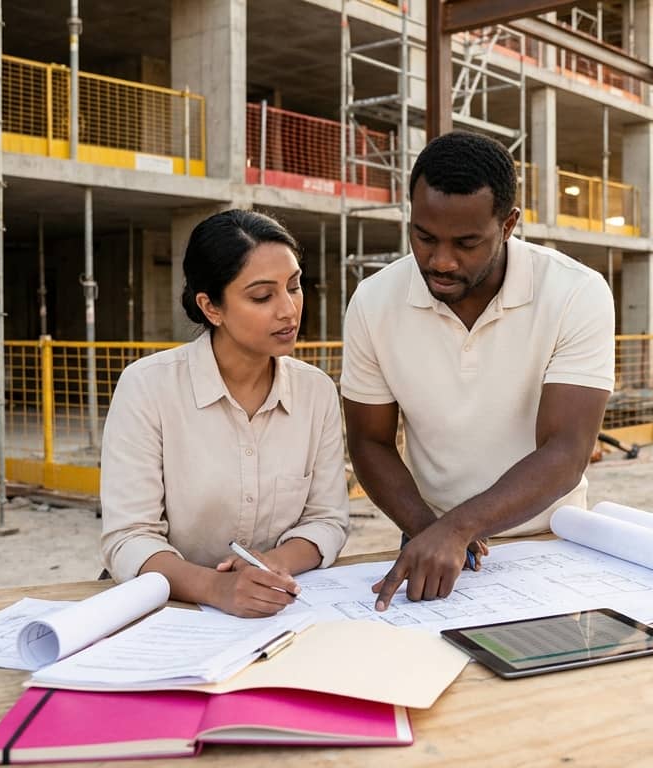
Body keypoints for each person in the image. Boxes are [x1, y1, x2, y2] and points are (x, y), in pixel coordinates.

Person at [340, 131, 616, 611]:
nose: (441, 260)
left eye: (467, 243)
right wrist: (432, 531)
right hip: (430, 538)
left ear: (508, 224)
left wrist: (459, 527)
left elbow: (568, 450)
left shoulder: (575, 292)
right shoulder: (373, 302)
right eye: (424, 237)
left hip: (553, 544)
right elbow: (369, 442)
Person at [100, 210, 350, 617]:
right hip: (164, 612)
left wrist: (274, 564)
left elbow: (327, 520)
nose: (289, 309)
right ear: (211, 307)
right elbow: (129, 537)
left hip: (273, 607)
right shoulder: (148, 387)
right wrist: (217, 587)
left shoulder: (316, 391)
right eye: (262, 296)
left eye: (294, 286)